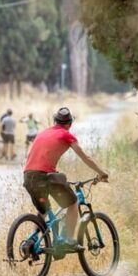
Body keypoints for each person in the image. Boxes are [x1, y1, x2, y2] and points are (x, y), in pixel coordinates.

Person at [23, 107, 109, 252]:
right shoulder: (66, 135)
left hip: (28, 176)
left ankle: (32, 240)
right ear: (70, 123)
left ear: (55, 120)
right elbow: (85, 157)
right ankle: (69, 240)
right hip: (44, 176)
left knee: (43, 210)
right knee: (73, 202)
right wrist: (102, 173)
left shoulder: (43, 133)